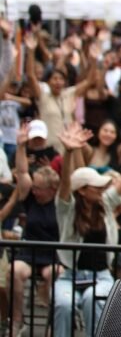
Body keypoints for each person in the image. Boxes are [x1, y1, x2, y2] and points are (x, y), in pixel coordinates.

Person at [53, 123, 121, 337]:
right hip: (70, 276)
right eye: (95, 186)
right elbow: (64, 185)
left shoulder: (105, 203)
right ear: (82, 191)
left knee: (91, 299)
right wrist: (70, 152)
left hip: (101, 276)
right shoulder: (67, 208)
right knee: (63, 304)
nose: (101, 188)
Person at [10, 123, 61, 334]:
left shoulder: (60, 203)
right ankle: (17, 320)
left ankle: (52, 323)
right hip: (29, 252)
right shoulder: (31, 200)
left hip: (52, 255)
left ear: (51, 189)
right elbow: (22, 173)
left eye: (38, 189)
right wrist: (21, 146)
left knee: (55, 274)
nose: (35, 191)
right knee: (14, 271)